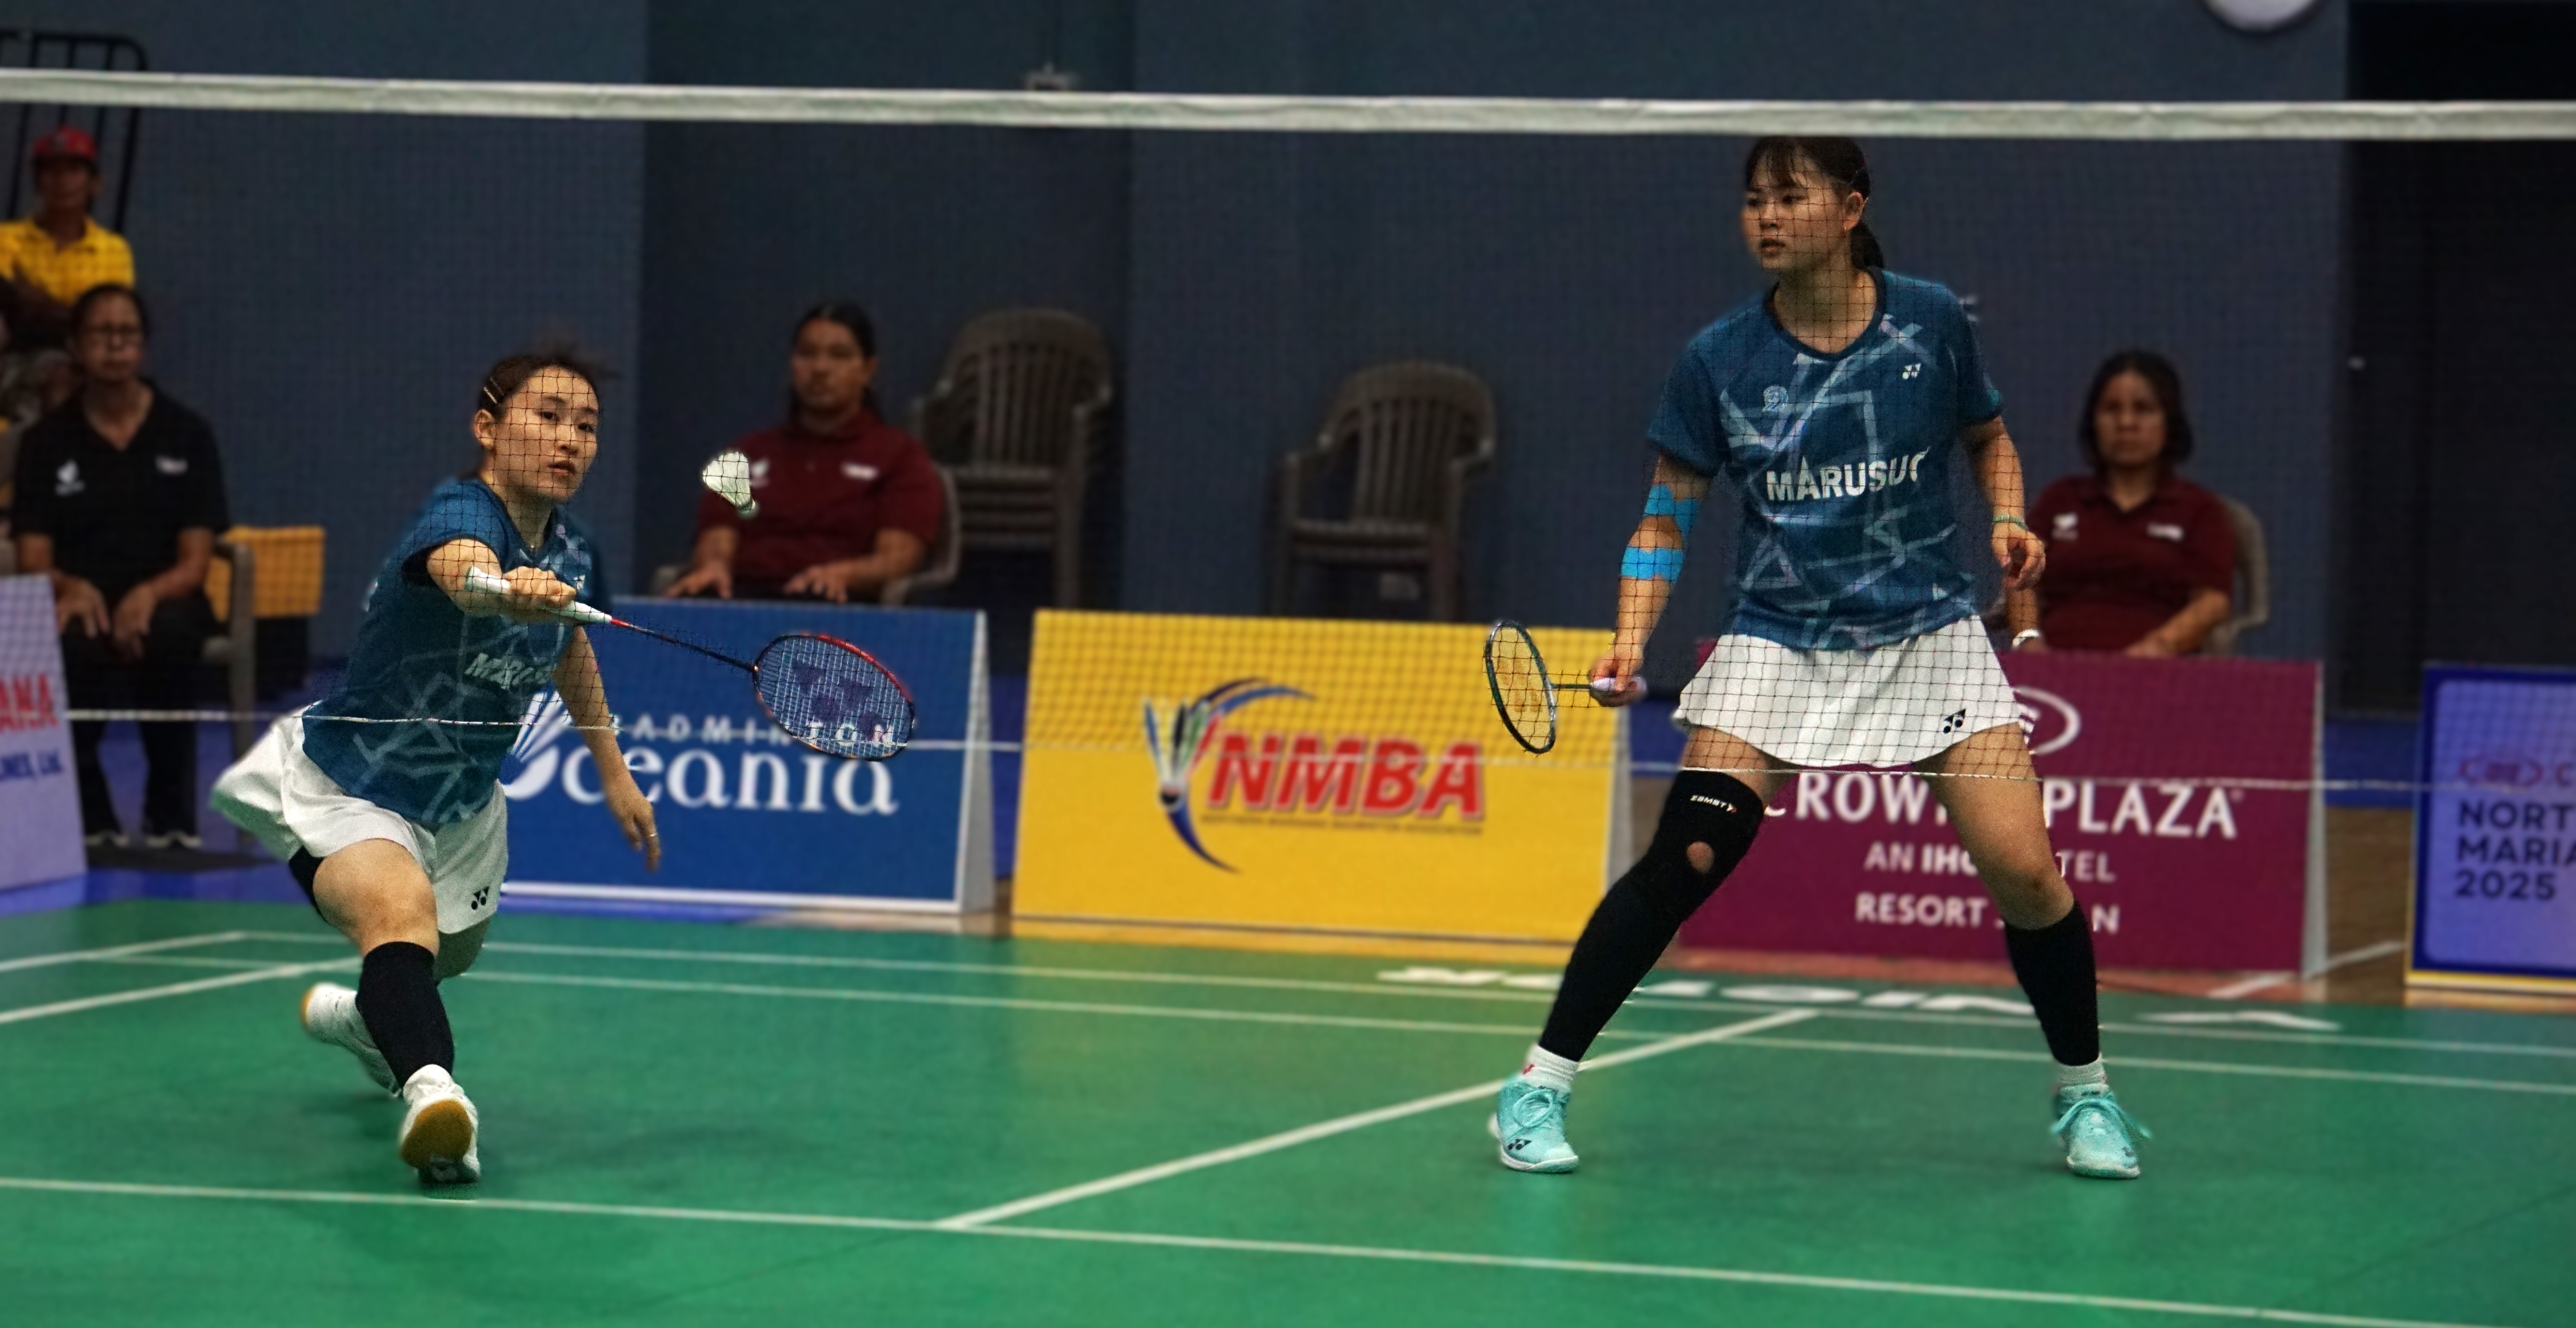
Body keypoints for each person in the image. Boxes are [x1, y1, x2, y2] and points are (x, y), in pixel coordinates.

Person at [1494, 138, 2146, 1181]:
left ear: (1848, 209)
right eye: (1752, 200)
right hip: (1776, 642)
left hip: (1925, 634)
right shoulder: (1717, 359)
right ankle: (1535, 1084)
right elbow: (1665, 516)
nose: (1764, 216)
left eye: (1788, 198)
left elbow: (1986, 436)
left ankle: (2085, 1096)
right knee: (1687, 858)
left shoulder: (1926, 322)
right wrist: (1629, 637)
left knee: (2025, 871)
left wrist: (2008, 518)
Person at [210, 350, 660, 1185]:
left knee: (435, 960)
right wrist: (501, 587)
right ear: (488, 428)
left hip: (461, 803)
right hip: (355, 783)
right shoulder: (458, 510)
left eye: (587, 425)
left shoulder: (574, 548)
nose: (570, 439)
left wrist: (612, 766)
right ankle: (437, 1099)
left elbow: (572, 644)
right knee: (400, 916)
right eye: (548, 415)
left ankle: (364, 1022)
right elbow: (457, 570)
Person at [10, 286, 225, 849]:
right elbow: (32, 555)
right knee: (71, 641)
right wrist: (70, 585)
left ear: (144, 347)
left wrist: (148, 595)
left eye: (126, 334)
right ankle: (89, 815)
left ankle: (171, 815)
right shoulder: (45, 442)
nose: (115, 346)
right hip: (80, 598)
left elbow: (197, 559)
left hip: (167, 596)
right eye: (101, 334)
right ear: (76, 348)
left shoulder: (187, 433)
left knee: (172, 636)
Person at [666, 300, 941, 602]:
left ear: (868, 370)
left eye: (839, 355)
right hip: (746, 597)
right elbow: (717, 534)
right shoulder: (747, 452)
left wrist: (843, 574)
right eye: (807, 354)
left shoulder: (900, 457)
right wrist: (714, 567)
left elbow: (897, 557)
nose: (820, 368)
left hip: (835, 601)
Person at [2020, 351, 2237, 655]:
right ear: (2093, 421)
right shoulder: (2061, 499)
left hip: (2156, 675)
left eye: (2143, 409)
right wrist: (2029, 643)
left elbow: (2213, 601)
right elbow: (2022, 578)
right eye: (2112, 409)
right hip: (2054, 673)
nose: (2126, 423)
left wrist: (2153, 652)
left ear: (2169, 421)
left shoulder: (2199, 510)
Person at [0, 128, 138, 346]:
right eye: (52, 171)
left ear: (95, 183)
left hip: (84, 359)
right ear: (37, 183)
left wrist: (32, 297)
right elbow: (9, 313)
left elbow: (107, 322)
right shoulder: (5, 238)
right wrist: (73, 313)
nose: (62, 181)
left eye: (74, 171)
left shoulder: (112, 248)